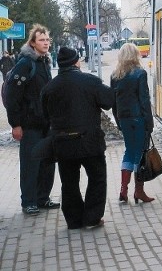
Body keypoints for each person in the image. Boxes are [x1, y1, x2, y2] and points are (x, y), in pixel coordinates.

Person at [41, 47, 115, 229]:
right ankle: (92, 218)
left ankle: (74, 220)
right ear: (76, 62)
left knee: (69, 182)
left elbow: (45, 115)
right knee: (97, 178)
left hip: (62, 143)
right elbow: (109, 101)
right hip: (89, 141)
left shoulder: (49, 87)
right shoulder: (90, 81)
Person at [4, 24, 58, 215]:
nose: (46, 43)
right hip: (30, 124)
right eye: (41, 40)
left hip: (46, 123)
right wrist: (16, 124)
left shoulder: (45, 62)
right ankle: (28, 201)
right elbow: (12, 96)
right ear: (33, 43)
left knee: (47, 163)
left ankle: (43, 198)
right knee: (31, 164)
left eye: (47, 40)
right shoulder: (25, 64)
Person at [110, 42, 155, 204]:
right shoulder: (140, 74)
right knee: (140, 153)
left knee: (129, 151)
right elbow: (144, 100)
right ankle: (139, 191)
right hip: (139, 119)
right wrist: (149, 123)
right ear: (135, 55)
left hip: (124, 119)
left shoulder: (115, 75)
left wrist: (118, 121)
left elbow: (114, 102)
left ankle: (123, 190)